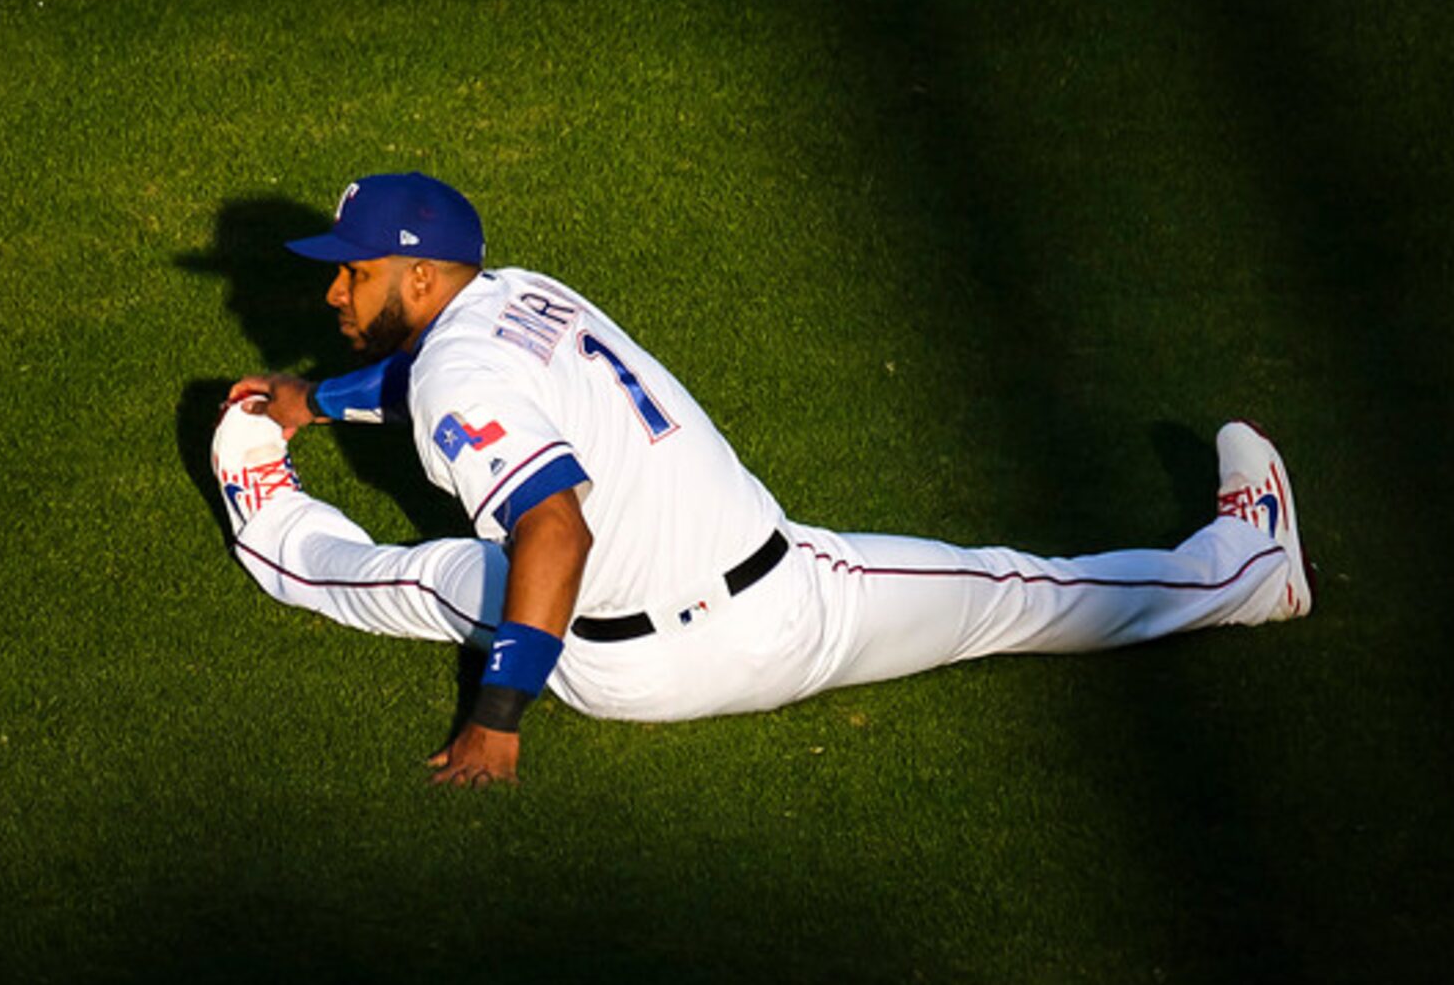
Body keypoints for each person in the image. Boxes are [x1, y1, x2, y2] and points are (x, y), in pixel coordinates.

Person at [212, 173, 1311, 787]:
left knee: (419, 575)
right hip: (790, 615)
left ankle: (269, 527)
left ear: (417, 272)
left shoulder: (452, 372)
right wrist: (321, 401)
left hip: (621, 672)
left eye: (349, 273)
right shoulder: (516, 295)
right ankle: (1251, 574)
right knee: (1018, 594)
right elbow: (479, 439)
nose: (330, 295)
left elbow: (527, 502)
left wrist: (498, 715)